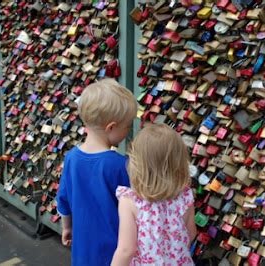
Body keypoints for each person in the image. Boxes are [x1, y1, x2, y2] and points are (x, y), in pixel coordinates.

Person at [56, 78, 137, 266]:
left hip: (82, 252)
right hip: (116, 254)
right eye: (127, 126)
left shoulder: (71, 158)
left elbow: (63, 200)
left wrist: (67, 227)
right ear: (111, 127)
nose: (128, 131)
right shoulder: (120, 165)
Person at [111, 124, 197, 266]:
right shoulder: (185, 196)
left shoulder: (130, 201)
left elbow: (127, 250)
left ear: (136, 165)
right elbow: (191, 233)